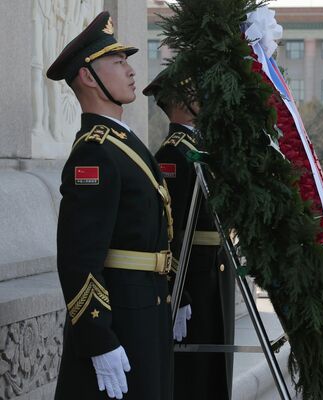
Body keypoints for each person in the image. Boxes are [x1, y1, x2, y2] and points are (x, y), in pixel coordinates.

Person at [47, 11, 174, 400]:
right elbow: (79, 258)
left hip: (145, 305)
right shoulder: (95, 152)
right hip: (122, 314)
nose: (130, 71)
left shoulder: (121, 141)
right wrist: (98, 337)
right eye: (117, 62)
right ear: (88, 76)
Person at [144, 70, 235, 399]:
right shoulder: (172, 155)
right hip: (192, 279)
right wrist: (177, 293)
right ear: (181, 102)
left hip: (212, 271)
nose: (205, 99)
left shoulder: (198, 146)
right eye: (197, 93)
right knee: (193, 377)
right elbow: (168, 231)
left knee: (213, 369)